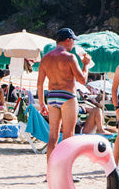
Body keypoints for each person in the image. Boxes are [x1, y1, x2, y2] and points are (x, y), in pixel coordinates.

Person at [37, 28, 92, 160]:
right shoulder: (70, 57)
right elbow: (82, 80)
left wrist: (41, 103)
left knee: (52, 137)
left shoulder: (45, 58)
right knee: (68, 136)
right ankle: (66, 172)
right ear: (68, 40)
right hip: (67, 96)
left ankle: (50, 172)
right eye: (73, 41)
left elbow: (39, 84)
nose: (73, 44)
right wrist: (86, 65)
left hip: (51, 96)